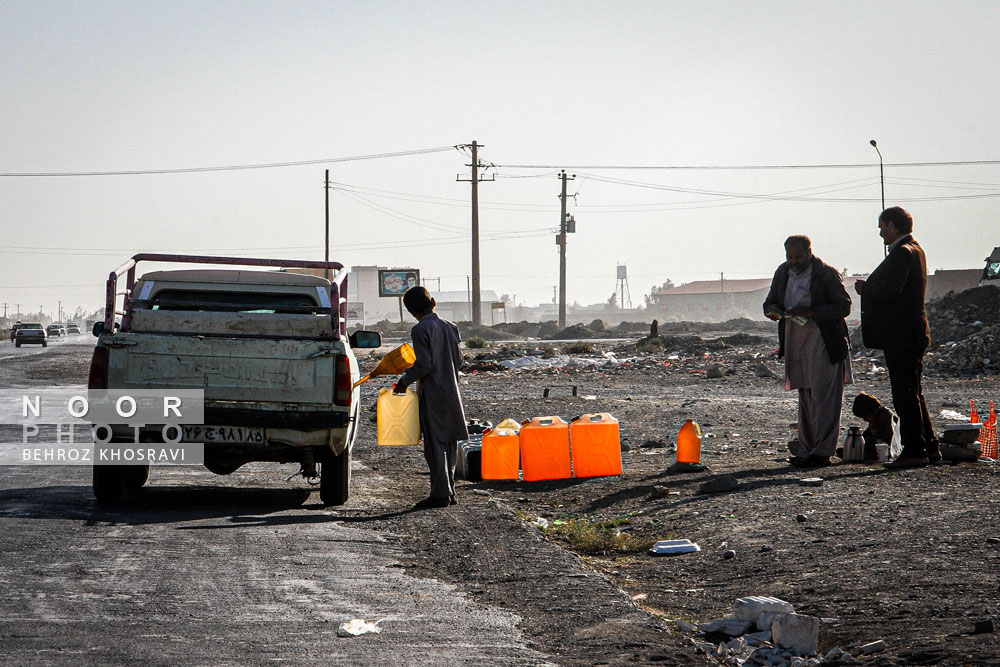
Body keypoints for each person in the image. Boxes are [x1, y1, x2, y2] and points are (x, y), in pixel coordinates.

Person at [854, 206, 941, 468]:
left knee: (905, 394)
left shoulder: (903, 253)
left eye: (882, 227)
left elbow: (892, 290)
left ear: (892, 225)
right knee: (914, 393)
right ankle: (929, 445)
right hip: (911, 332)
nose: (880, 233)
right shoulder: (915, 250)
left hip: (902, 334)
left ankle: (915, 449)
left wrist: (866, 289)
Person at [763, 235, 853, 467]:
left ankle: (822, 452)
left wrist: (812, 311)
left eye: (798, 257)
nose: (794, 261)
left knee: (825, 397)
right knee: (806, 396)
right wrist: (773, 311)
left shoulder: (826, 274)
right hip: (796, 341)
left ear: (809, 252)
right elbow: (770, 301)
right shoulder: (783, 272)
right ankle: (807, 449)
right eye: (790, 257)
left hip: (824, 341)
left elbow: (843, 306)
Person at [394, 286, 469, 508]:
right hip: (452, 391)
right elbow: (460, 361)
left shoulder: (420, 330)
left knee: (435, 443)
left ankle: (440, 494)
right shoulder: (451, 327)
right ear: (433, 302)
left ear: (411, 312)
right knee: (450, 441)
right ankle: (451, 491)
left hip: (433, 393)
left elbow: (424, 364)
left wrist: (403, 381)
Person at [837, 392, 898, 461]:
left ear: (874, 411)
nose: (865, 420)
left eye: (865, 416)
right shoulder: (875, 418)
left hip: (888, 448)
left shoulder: (886, 419)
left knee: (867, 445)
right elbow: (865, 435)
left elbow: (886, 441)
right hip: (879, 446)